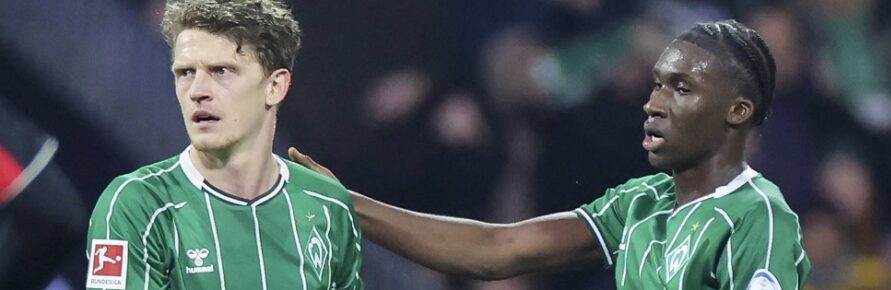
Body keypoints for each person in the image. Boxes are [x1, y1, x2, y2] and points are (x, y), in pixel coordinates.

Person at [290, 19, 810, 289]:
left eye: (682, 88)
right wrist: (348, 203)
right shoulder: (642, 204)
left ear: (737, 111)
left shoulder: (759, 220)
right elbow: (499, 251)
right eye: (656, 85)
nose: (653, 103)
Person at [85, 1, 363, 289]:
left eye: (221, 71)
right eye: (186, 73)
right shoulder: (136, 204)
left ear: (275, 86)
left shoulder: (329, 206)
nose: (197, 92)